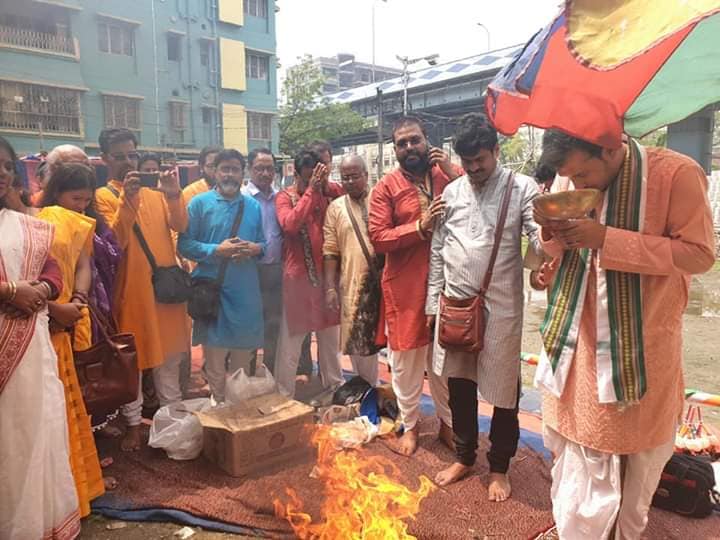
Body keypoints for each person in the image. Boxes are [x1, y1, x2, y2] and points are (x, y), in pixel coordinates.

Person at [534, 130, 716, 539]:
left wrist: (606, 239)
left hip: (640, 354)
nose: (575, 184)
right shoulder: (569, 176)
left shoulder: (676, 175)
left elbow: (700, 255)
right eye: (569, 177)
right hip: (575, 350)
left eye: (583, 175)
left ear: (610, 149)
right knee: (573, 464)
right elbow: (556, 252)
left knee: (634, 475)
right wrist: (550, 229)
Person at [425, 113, 541, 501]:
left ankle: (499, 468)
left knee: (505, 392)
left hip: (501, 311)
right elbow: (438, 250)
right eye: (468, 161)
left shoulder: (522, 188)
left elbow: (538, 239)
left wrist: (552, 232)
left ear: (496, 151)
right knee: (459, 386)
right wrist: (432, 302)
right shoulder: (451, 193)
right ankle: (463, 456)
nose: (474, 168)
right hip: (456, 307)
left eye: (481, 160)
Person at [0, 136, 81, 540]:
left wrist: (42, 291)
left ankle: (28, 523)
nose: (2, 173)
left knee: (26, 431)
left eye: (6, 165)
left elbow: (52, 271)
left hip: (28, 342)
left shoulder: (25, 224)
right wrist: (11, 291)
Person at [368, 115, 462, 456]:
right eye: (402, 143)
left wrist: (451, 171)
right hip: (406, 290)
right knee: (406, 363)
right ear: (394, 150)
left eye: (415, 140)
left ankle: (448, 425)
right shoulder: (385, 188)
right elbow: (378, 238)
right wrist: (419, 227)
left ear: (427, 141)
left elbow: (479, 198)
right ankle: (410, 426)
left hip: (450, 285)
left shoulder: (448, 175)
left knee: (446, 362)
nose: (409, 147)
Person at [94, 128, 189, 452]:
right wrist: (128, 199)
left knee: (169, 362)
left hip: (166, 292)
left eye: (132, 155)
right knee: (132, 363)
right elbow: (115, 242)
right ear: (104, 158)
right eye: (119, 156)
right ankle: (134, 426)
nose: (128, 161)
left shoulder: (156, 191)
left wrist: (174, 195)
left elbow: (180, 226)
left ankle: (173, 426)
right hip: (132, 293)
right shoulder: (103, 196)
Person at [37, 163, 107, 516]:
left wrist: (78, 299)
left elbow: (83, 265)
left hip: (67, 319)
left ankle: (76, 486)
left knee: (70, 404)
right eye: (75, 199)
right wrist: (52, 308)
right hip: (37, 320)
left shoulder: (78, 223)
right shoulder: (38, 220)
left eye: (85, 201)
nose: (80, 206)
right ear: (56, 193)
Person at [179, 149, 265, 403]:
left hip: (245, 293)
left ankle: (237, 408)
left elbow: (264, 243)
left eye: (235, 169)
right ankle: (218, 405)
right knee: (215, 360)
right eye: (224, 169)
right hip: (212, 292)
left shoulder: (253, 206)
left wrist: (255, 249)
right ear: (214, 172)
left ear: (242, 173)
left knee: (242, 359)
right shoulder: (198, 204)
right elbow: (184, 245)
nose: (229, 174)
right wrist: (216, 250)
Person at [275, 148, 345, 397]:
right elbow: (290, 225)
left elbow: (348, 195)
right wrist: (311, 191)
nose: (312, 183)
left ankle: (334, 387)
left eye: (316, 177)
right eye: (306, 179)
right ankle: (284, 394)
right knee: (291, 344)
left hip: (328, 281)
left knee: (330, 342)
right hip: (299, 283)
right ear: (295, 174)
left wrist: (322, 184)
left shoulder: (328, 193)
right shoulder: (285, 197)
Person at [322, 154, 381, 385]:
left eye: (355, 176)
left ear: (366, 175)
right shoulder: (335, 208)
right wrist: (330, 288)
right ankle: (367, 392)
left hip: (388, 283)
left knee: (395, 347)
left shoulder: (381, 198)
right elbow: (330, 250)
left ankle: (392, 397)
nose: (349, 182)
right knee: (360, 345)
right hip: (355, 286)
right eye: (345, 178)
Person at [243, 148, 284, 374]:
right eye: (260, 168)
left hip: (276, 270)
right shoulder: (242, 198)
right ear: (250, 169)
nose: (265, 173)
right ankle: (246, 374)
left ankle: (269, 374)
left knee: (273, 324)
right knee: (249, 324)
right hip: (248, 271)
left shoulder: (281, 198)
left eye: (269, 168)